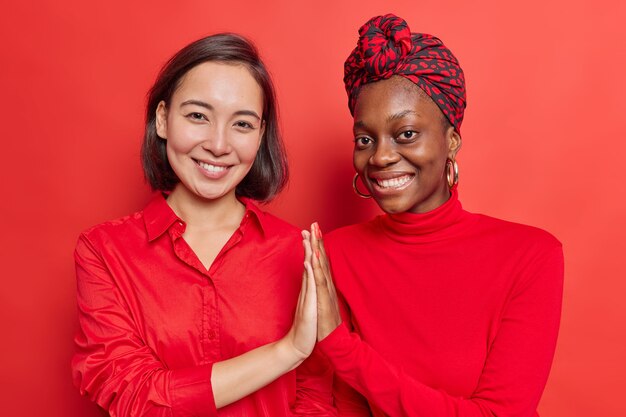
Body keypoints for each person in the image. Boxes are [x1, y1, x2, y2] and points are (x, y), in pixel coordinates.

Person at [303, 14, 564, 417]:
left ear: (451, 141)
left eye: (406, 134)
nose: (381, 156)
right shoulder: (334, 255)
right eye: (365, 139)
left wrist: (342, 347)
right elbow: (340, 405)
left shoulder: (531, 255)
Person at [72, 33, 335, 416]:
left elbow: (317, 399)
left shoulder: (301, 251)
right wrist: (288, 351)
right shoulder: (103, 251)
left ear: (261, 135)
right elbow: (135, 398)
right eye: (198, 116)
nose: (218, 144)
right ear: (163, 119)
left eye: (242, 124)